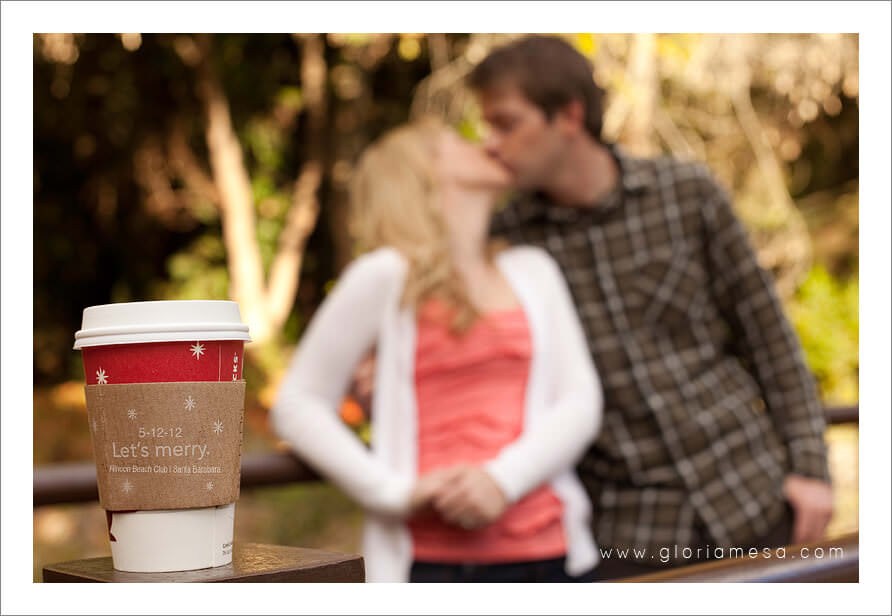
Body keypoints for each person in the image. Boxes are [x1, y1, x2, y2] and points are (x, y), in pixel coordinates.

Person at [462, 35, 834, 579]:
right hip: (627, 538)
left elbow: (769, 339)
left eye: (506, 123)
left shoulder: (686, 194)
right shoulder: (504, 243)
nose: (490, 144)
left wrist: (810, 468)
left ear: (568, 115)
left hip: (755, 498)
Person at [270, 117, 604, 583]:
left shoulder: (533, 270)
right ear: (426, 172)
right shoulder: (385, 276)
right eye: (460, 141)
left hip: (555, 555)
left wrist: (500, 481)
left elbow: (580, 402)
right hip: (433, 568)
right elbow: (297, 405)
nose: (487, 145)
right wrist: (392, 491)